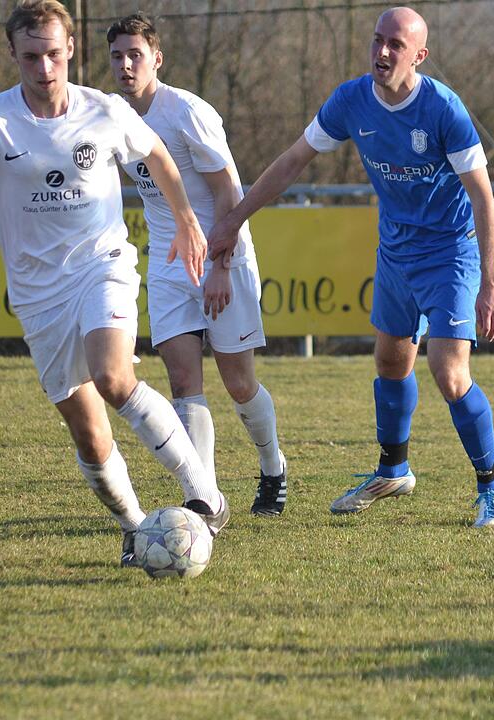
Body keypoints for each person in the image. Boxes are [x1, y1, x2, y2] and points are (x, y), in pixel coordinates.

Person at [0, 0, 229, 568]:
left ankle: (205, 494)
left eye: (53, 55)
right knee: (89, 434)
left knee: (114, 377)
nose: (44, 69)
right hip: (38, 294)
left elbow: (159, 155)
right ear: (14, 56)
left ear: (71, 51)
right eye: (31, 57)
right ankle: (139, 530)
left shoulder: (105, 111)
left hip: (103, 265)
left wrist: (188, 219)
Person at [208, 6, 494, 527]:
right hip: (395, 253)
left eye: (396, 44)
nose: (383, 52)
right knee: (391, 362)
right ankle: (393, 470)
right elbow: (291, 162)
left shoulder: (443, 109)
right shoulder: (351, 101)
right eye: (377, 41)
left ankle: (493, 486)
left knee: (448, 372)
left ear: (420, 55)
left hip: (450, 253)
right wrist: (235, 217)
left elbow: (482, 198)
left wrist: (491, 283)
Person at [105, 13, 287, 517]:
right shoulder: (113, 118)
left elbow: (229, 191)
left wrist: (221, 266)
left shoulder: (186, 111)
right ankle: (204, 498)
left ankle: (273, 466)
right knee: (184, 383)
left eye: (134, 54)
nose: (125, 65)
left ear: (156, 59)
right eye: (117, 56)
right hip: (167, 264)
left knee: (238, 383)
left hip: (222, 256)